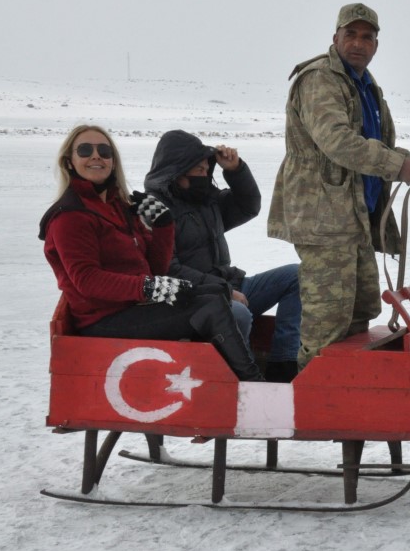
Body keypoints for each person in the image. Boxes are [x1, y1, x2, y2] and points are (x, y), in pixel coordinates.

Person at [268, 2, 410, 370]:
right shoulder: (319, 79)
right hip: (324, 222)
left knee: (359, 315)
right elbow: (338, 142)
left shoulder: (365, 86)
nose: (358, 43)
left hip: (356, 220)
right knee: (327, 324)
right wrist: (397, 166)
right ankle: (310, 410)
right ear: (336, 38)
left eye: (367, 37)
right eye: (351, 35)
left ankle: (345, 411)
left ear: (376, 45)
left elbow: (380, 142)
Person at [40, 124, 263, 382]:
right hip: (104, 318)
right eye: (85, 150)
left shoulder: (120, 206)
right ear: (69, 162)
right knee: (213, 305)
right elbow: (87, 280)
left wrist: (163, 225)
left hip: (135, 307)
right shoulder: (70, 216)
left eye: (104, 150)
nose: (96, 156)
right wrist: (148, 287)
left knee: (215, 293)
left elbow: (155, 265)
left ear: (113, 161)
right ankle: (251, 384)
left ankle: (234, 382)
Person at [144, 130, 301, 382]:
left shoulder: (205, 199)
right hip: (196, 298)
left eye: (207, 169)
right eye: (198, 170)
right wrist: (222, 291)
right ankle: (246, 380)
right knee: (237, 312)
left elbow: (248, 205)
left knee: (297, 277)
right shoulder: (154, 210)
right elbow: (168, 270)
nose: (205, 175)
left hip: (229, 284)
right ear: (177, 170)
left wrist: (235, 170)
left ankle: (283, 365)